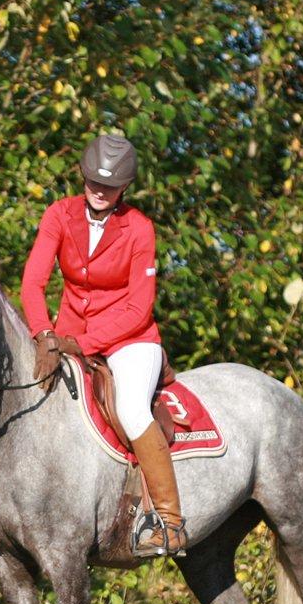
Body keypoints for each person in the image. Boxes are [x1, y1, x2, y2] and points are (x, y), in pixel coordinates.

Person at [20, 134, 187, 557]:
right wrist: (43, 334)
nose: (99, 190)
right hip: (66, 338)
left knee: (131, 409)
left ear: (125, 188)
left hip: (130, 341)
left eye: (109, 186)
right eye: (93, 180)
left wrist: (80, 341)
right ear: (83, 176)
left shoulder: (140, 229)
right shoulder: (59, 215)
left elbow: (137, 307)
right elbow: (33, 282)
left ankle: (168, 521)